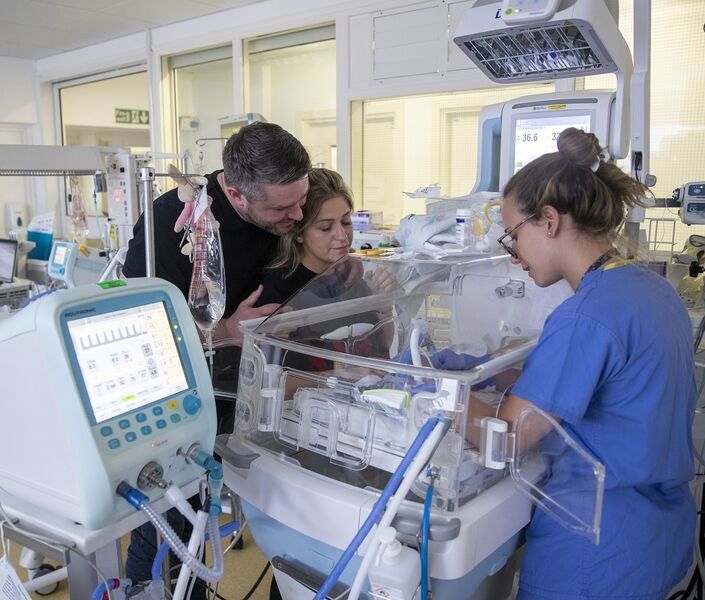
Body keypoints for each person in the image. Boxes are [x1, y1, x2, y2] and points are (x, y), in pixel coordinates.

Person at [471, 127, 696, 599]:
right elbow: (625, 390)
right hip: (660, 538)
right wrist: (511, 374)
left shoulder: (585, 316)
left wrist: (435, 401)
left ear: (548, 221)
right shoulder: (652, 289)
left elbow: (510, 436)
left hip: (593, 554)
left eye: (513, 235)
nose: (514, 255)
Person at [121, 121, 311, 597]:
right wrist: (223, 331)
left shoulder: (290, 206)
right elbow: (138, 319)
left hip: (248, 383)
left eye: (302, 200)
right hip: (180, 392)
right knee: (176, 513)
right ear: (235, 191)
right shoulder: (174, 221)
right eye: (282, 208)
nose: (297, 213)